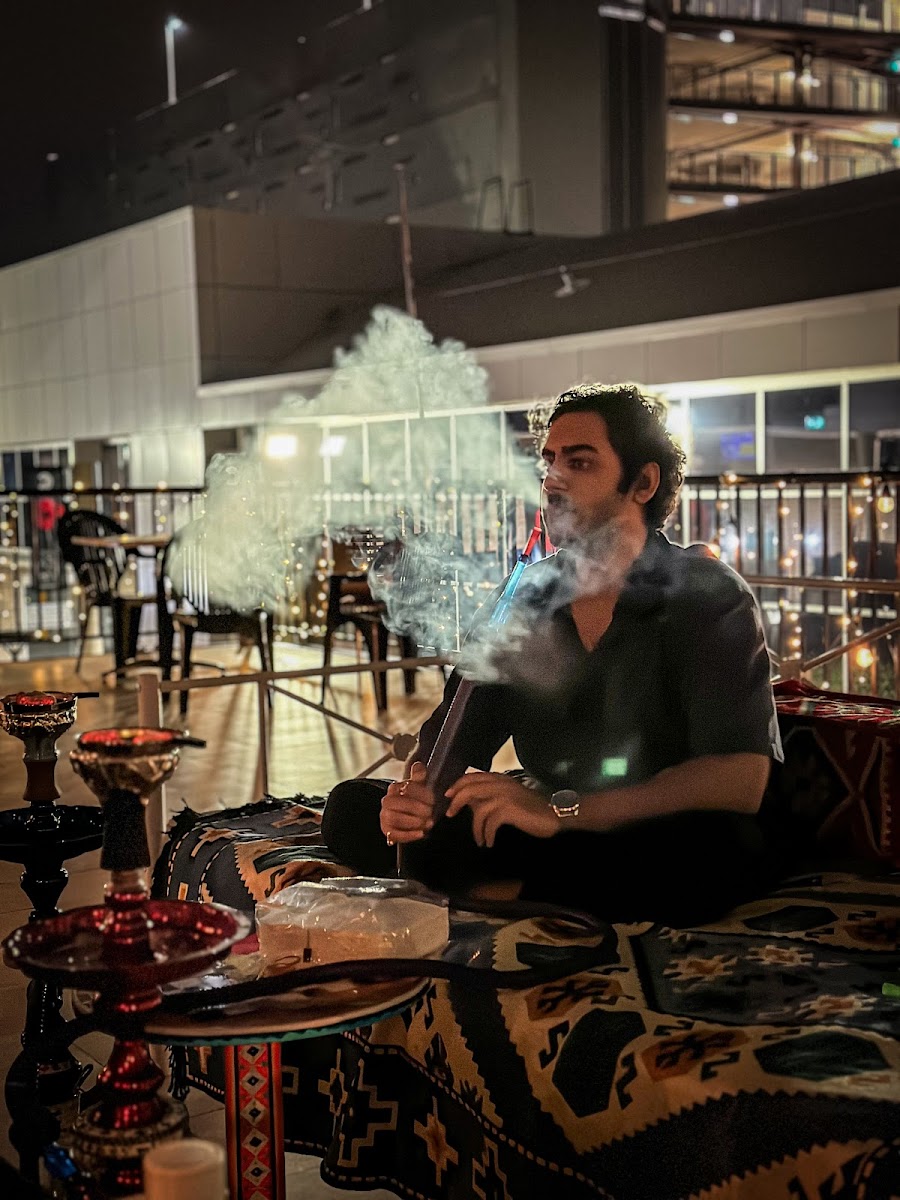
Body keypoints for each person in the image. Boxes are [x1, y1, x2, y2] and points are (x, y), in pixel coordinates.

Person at [322, 384, 783, 925]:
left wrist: (563, 813)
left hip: (658, 825)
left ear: (643, 482)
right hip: (555, 827)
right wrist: (418, 792)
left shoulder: (707, 595)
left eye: (579, 463)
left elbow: (738, 780)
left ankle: (497, 890)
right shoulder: (528, 596)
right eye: (549, 461)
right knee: (352, 808)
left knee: (716, 852)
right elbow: (457, 730)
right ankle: (536, 891)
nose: (552, 481)